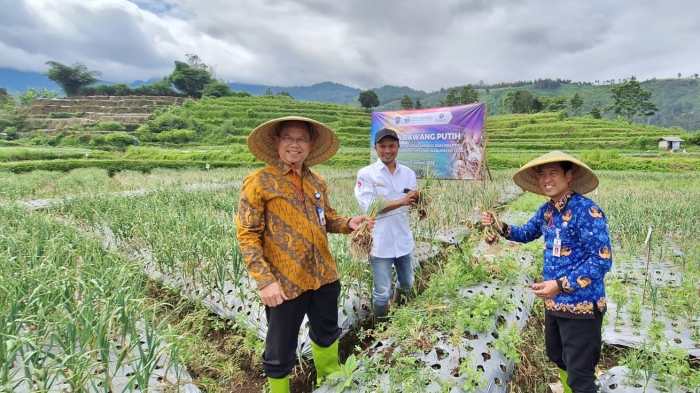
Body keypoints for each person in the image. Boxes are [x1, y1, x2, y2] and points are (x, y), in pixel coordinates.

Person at [236, 116, 371, 393]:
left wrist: (349, 223)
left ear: (310, 145)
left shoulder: (316, 181)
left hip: (324, 275)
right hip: (285, 282)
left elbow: (327, 218)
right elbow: (247, 234)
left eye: (301, 139)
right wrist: (265, 281)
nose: (295, 145)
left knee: (327, 331)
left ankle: (330, 380)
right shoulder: (259, 182)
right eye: (289, 137)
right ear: (277, 142)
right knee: (280, 345)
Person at [481, 151, 612, 393]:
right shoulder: (548, 211)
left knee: (580, 375)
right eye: (542, 175)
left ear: (569, 176)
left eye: (553, 173)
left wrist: (560, 285)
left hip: (581, 307)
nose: (546, 180)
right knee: (557, 355)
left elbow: (601, 260)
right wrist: (497, 224)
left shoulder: (587, 211)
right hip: (554, 304)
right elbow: (524, 233)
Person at [354, 128, 419, 318]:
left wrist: (420, 204)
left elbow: (411, 201)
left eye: (391, 146)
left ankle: (401, 312)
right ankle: (381, 326)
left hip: (403, 239)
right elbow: (370, 206)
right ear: (376, 148)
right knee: (382, 293)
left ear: (398, 147)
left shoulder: (408, 173)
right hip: (380, 243)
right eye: (383, 146)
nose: (387, 150)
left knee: (407, 283)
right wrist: (402, 201)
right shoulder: (366, 174)